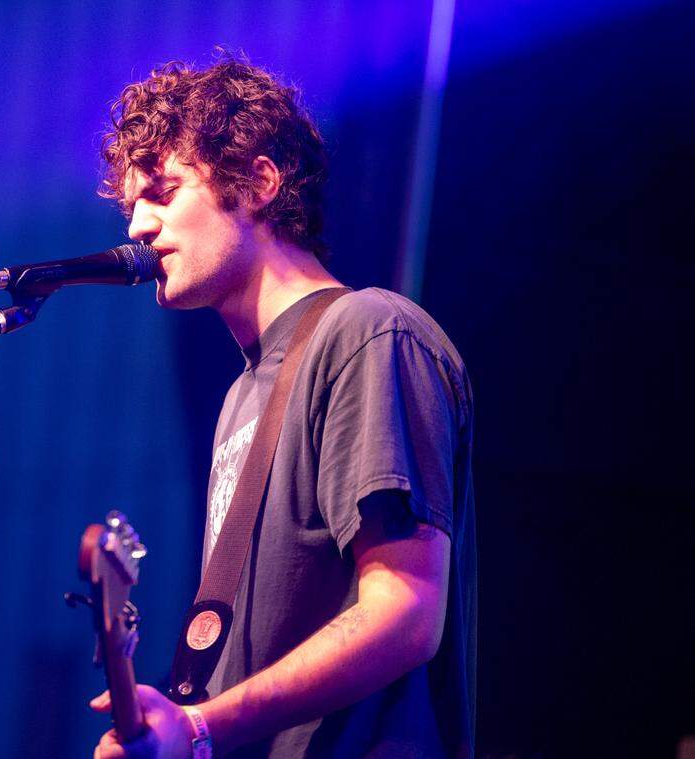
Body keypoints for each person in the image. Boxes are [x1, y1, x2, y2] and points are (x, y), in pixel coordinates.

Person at [89, 56, 476, 758]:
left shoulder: (369, 332)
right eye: (131, 206)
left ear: (259, 183)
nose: (138, 226)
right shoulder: (243, 394)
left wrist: (202, 725)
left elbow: (406, 609)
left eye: (163, 193)